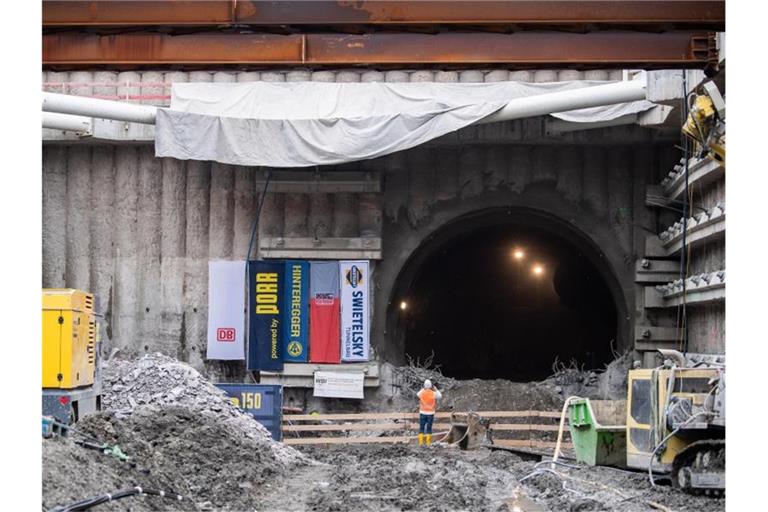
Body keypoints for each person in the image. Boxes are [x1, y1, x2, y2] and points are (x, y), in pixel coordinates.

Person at [417, 379, 442, 447]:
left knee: (421, 428)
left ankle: (420, 443)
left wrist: (423, 388)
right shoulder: (433, 393)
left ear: (424, 385)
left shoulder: (422, 392)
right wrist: (436, 389)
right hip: (430, 413)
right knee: (429, 428)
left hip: (422, 412)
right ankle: (428, 444)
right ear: (431, 386)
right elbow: (440, 396)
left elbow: (417, 394)